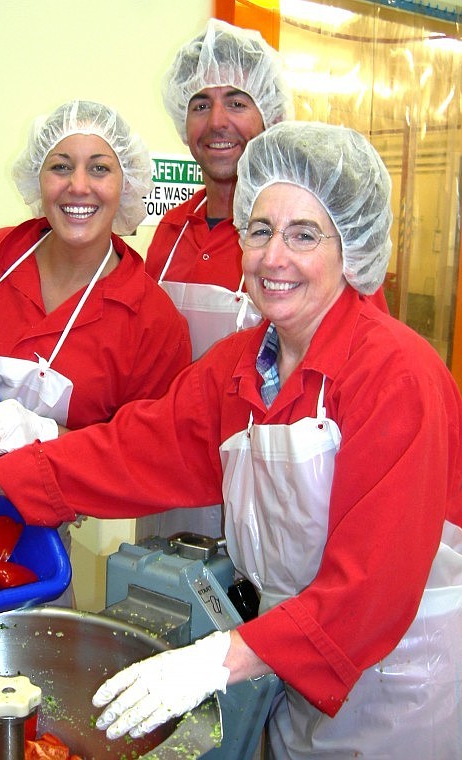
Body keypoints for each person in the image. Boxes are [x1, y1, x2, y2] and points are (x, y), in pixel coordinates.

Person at [0, 121, 462, 757]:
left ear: (352, 249)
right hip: (294, 662)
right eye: (260, 231)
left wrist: (216, 660)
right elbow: (137, 448)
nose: (274, 258)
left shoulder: (398, 376)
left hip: (411, 681)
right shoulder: (242, 364)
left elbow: (373, 588)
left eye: (303, 235)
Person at [0, 99, 192, 604]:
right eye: (61, 166)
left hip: (35, 552)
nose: (79, 186)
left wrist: (52, 436)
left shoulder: (153, 322)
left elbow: (142, 461)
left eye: (100, 168)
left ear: (127, 184)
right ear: (38, 178)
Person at [140, 18, 293, 541]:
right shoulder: (172, 231)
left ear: (269, 114)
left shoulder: (298, 240)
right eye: (200, 104)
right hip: (169, 480)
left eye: (237, 101)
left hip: (266, 490)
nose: (217, 121)